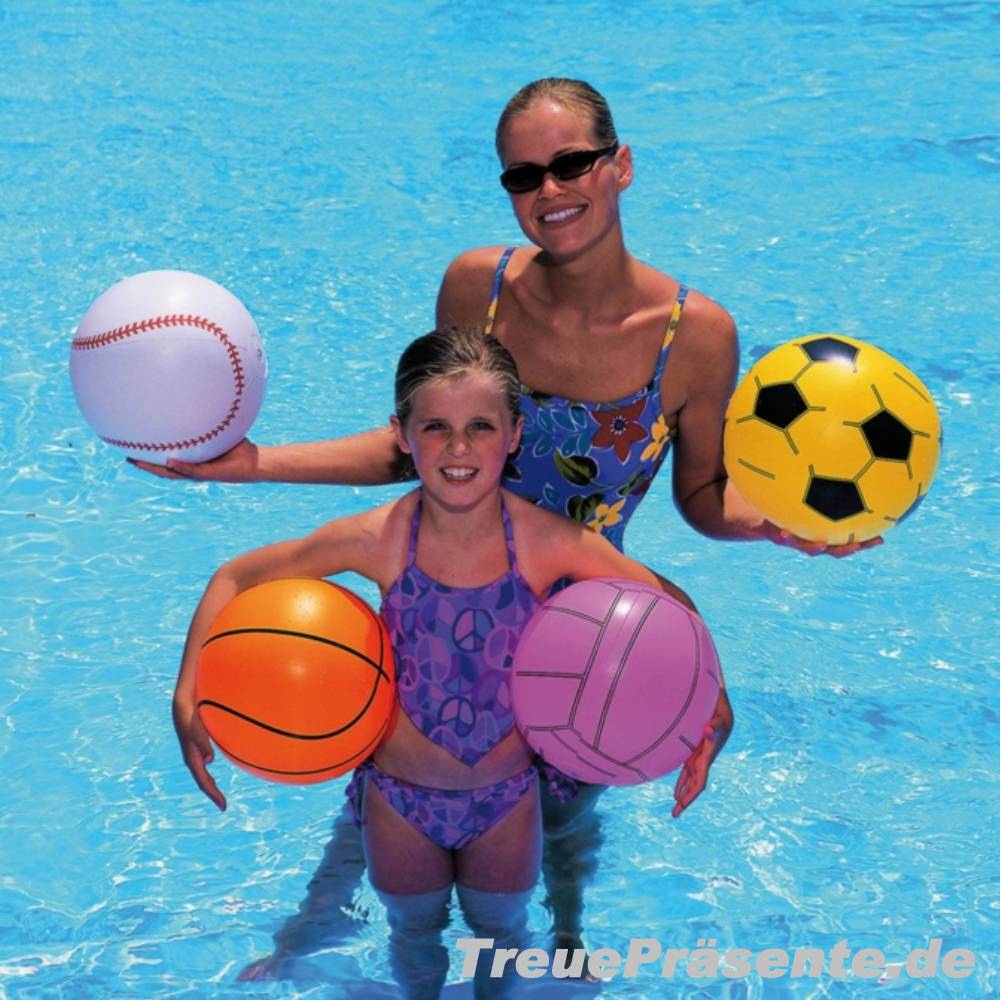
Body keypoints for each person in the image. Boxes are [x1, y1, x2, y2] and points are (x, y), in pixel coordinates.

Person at [153, 77, 869, 959]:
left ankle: (559, 943)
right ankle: (324, 919)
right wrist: (253, 464)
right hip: (444, 607)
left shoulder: (694, 335)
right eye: (524, 176)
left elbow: (702, 495)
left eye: (572, 164)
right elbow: (419, 442)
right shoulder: (478, 289)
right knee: (386, 786)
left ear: (621, 165)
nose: (550, 191)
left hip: (584, 644)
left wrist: (777, 522)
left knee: (557, 835)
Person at [173, 328, 732, 997]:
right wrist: (187, 694)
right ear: (402, 434)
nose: (458, 448)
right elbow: (236, 577)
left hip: (506, 799)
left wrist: (713, 708)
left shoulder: (545, 543)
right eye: (436, 426)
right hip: (398, 797)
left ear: (515, 434)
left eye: (480, 427)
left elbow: (667, 604)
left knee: (501, 938)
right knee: (413, 937)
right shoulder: (379, 539)